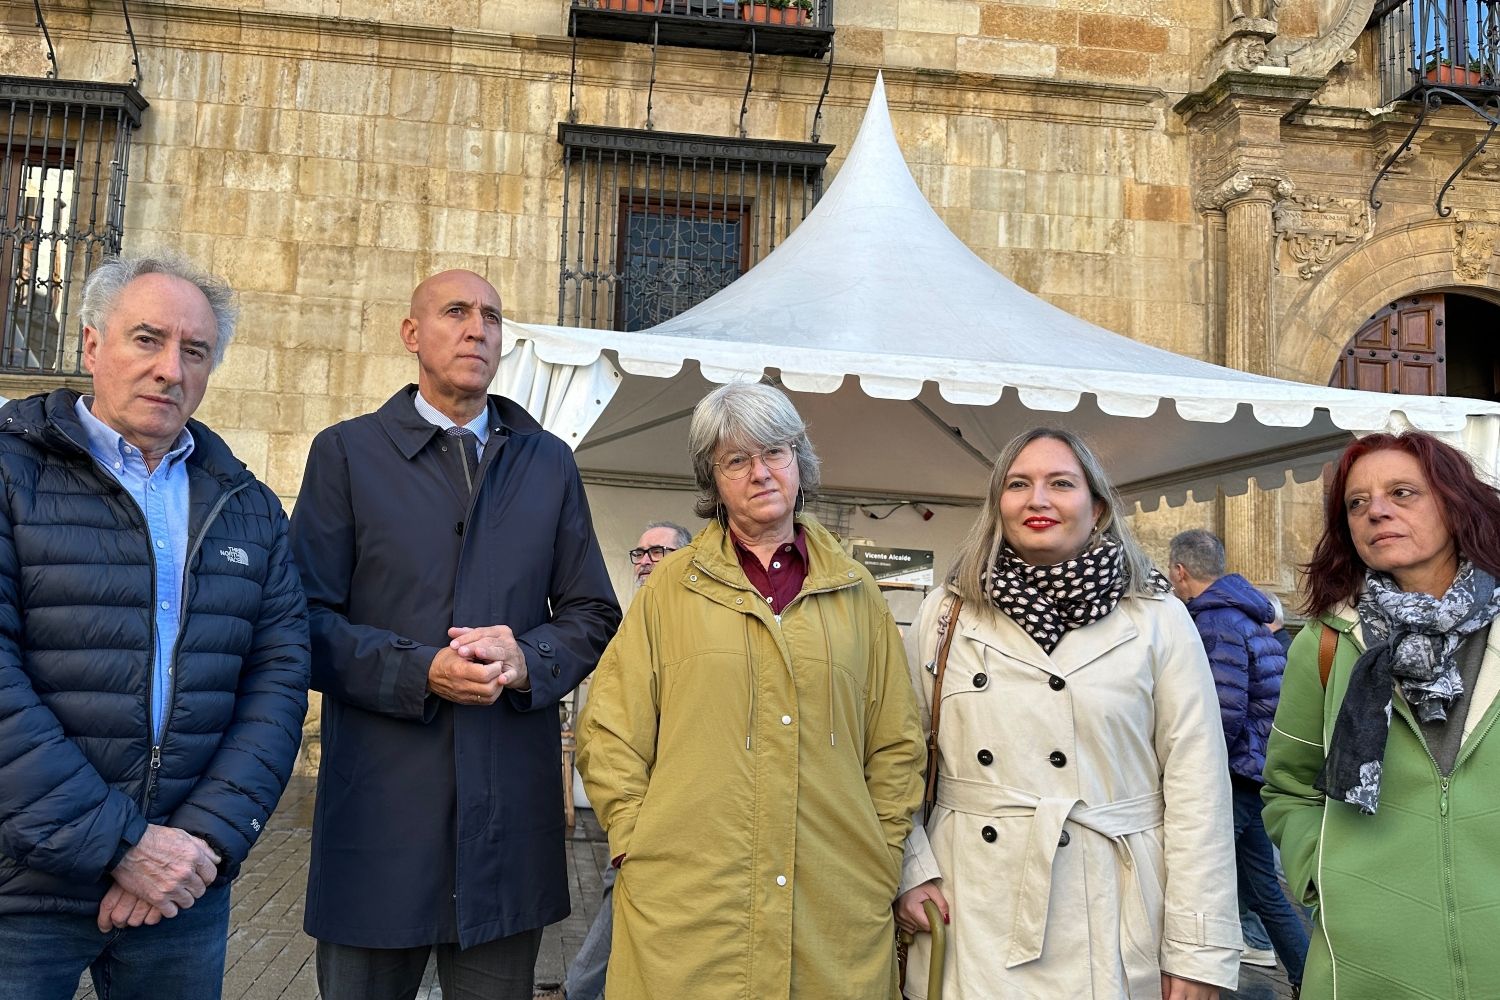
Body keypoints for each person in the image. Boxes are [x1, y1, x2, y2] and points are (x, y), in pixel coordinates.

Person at [290, 269, 621, 1000]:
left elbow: (593, 612)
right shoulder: (346, 454)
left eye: (493, 317)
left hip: (507, 829)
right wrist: (419, 671)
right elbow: (301, 623)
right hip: (379, 823)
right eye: (457, 311)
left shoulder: (547, 463)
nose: (479, 328)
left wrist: (527, 658)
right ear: (413, 335)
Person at [0, 253, 311, 999]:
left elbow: (278, 681)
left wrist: (197, 845)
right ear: (91, 346)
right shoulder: (10, 472)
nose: (170, 369)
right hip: (20, 885)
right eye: (147, 339)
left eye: (194, 351)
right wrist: (121, 843)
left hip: (181, 893)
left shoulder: (249, 506)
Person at [576, 381, 923, 1000]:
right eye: (736, 460)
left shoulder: (857, 593)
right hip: (692, 908)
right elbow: (609, 730)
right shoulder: (671, 589)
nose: (760, 473)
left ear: (800, 462)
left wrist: (881, 853)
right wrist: (636, 841)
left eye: (776, 452)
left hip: (831, 903)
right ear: (712, 480)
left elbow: (896, 743)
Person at [895, 428, 1239, 1000]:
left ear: (1097, 506)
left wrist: (1198, 951)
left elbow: (1197, 786)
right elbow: (900, 754)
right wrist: (911, 869)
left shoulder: (1157, 618)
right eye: (1018, 484)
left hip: (1111, 903)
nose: (1038, 500)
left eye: (1061, 483)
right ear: (997, 505)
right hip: (970, 899)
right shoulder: (947, 611)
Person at [1262, 431, 1500, 998]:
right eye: (1357, 503)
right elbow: (1288, 784)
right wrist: (1327, 877)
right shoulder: (1325, 643)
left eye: (1402, 492)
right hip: (1366, 964)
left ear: (1454, 502)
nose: (1378, 512)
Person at [543, 520, 692, 1000]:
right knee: (622, 893)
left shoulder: (693, 625)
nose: (646, 560)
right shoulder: (637, 620)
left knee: (627, 899)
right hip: (638, 803)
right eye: (640, 552)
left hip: (680, 802)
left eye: (659, 551)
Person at [1169, 530, 1308, 989]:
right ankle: (1310, 978)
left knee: (1196, 878)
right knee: (1263, 887)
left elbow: (1220, 711)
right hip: (1255, 768)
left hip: (1231, 773)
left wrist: (1198, 772)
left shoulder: (1214, 622)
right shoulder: (1250, 614)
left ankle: (1193, 977)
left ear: (1180, 572)